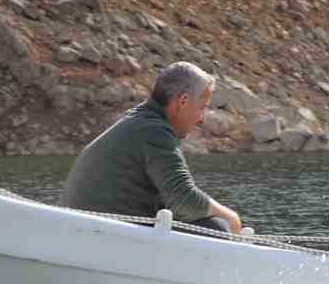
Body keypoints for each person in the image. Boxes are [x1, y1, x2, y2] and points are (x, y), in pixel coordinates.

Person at [61, 61, 244, 234]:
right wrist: (232, 219)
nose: (202, 119)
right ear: (183, 102)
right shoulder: (154, 131)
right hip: (101, 235)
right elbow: (183, 200)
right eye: (202, 108)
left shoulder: (140, 122)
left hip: (80, 230)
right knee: (216, 227)